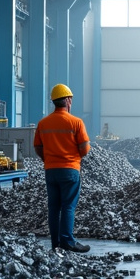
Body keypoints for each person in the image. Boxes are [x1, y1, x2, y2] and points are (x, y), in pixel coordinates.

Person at [35, 84, 92, 253]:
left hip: (50, 171)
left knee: (54, 207)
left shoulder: (43, 123)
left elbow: (37, 146)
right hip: (70, 169)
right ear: (67, 100)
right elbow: (85, 147)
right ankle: (67, 241)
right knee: (68, 205)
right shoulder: (76, 122)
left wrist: (49, 159)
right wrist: (75, 157)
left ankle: (56, 243)